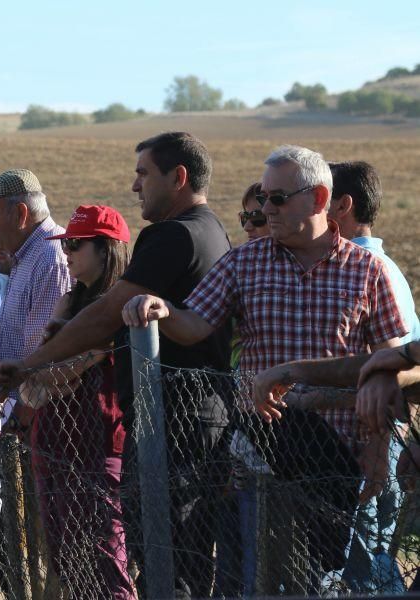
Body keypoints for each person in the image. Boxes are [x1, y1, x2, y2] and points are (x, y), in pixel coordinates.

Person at [122, 145, 408, 593]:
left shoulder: (369, 270)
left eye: (277, 199)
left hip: (339, 458)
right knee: (265, 582)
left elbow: (392, 363)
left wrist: (379, 447)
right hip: (262, 453)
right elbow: (195, 323)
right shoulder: (243, 262)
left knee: (334, 584)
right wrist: (161, 310)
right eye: (264, 198)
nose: (265, 209)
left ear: (316, 200)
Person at [0, 133, 233, 598]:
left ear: (178, 177)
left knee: (167, 560)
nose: (136, 185)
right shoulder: (212, 230)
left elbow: (105, 316)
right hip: (192, 413)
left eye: (144, 173)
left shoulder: (172, 235)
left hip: (171, 419)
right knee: (180, 559)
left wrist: (26, 366)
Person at [22, 205, 136, 599]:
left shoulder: (121, 307)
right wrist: (89, 354)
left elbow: (50, 367)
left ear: (106, 249)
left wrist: (70, 359)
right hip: (52, 438)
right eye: (65, 243)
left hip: (98, 440)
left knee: (108, 560)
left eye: (75, 244)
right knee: (66, 558)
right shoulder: (69, 302)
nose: (66, 252)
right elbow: (42, 369)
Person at [0, 168, 71, 431]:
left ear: (20, 214)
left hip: (40, 419)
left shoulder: (50, 258)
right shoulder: (28, 255)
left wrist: (21, 419)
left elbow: (46, 351)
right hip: (25, 414)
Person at [328, 161, 420, 345]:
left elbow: (389, 360)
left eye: (320, 199)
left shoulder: (362, 271)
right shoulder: (388, 267)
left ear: (342, 206)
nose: (311, 209)